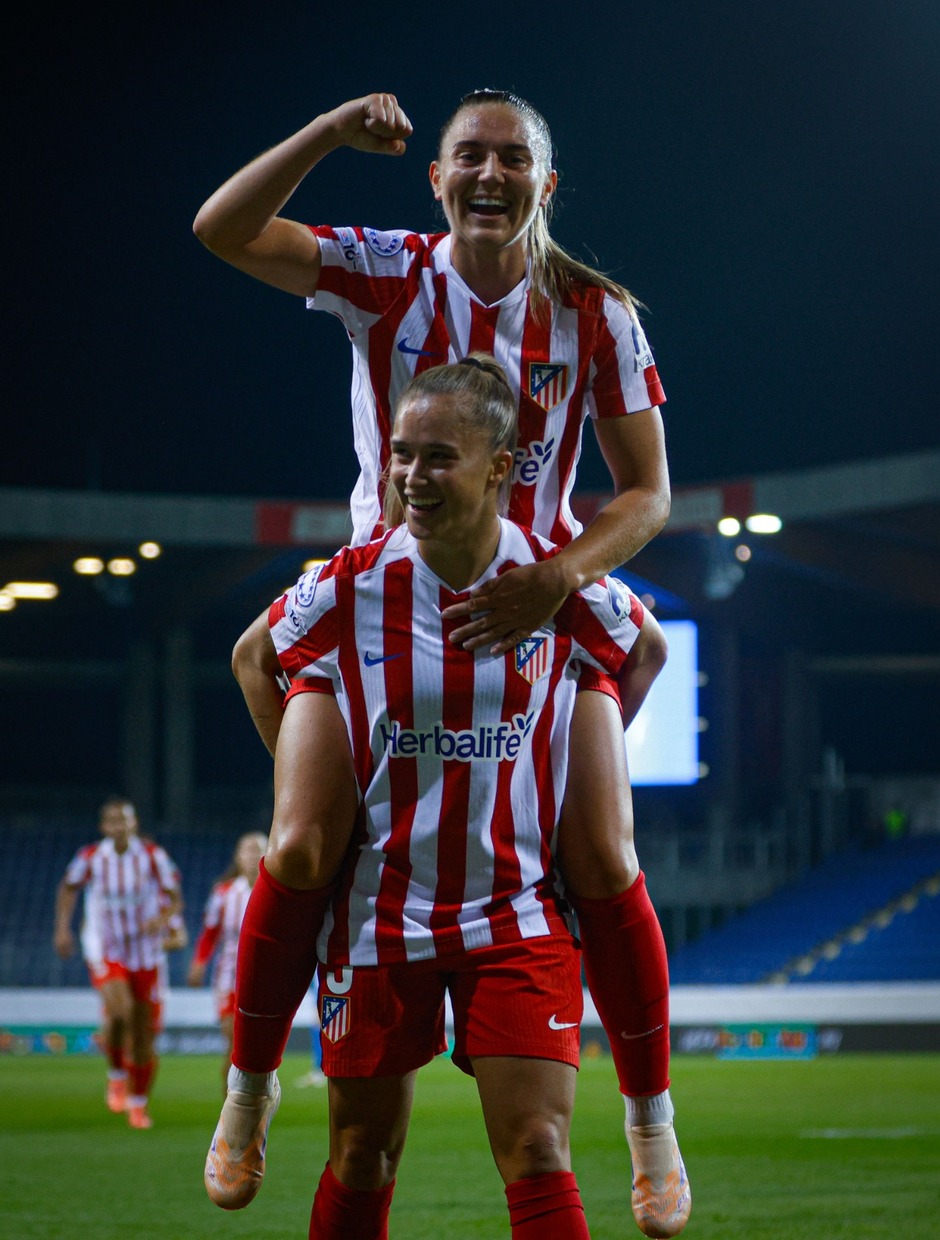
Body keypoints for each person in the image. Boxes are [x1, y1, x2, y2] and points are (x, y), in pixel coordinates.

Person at [193, 89, 688, 1236]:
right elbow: (221, 231)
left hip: (534, 593)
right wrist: (321, 133)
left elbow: (650, 492)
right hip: (379, 598)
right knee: (311, 838)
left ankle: (650, 1119)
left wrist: (557, 580)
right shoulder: (386, 271)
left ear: (544, 184)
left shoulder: (596, 314)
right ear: (436, 175)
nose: (489, 173)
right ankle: (249, 1089)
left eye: (514, 158)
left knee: (603, 852)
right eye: (469, 154)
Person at [54, 797, 183, 1129]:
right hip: (105, 945)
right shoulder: (92, 858)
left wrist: (162, 919)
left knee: (142, 1035)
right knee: (121, 1011)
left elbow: (175, 898)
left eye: (124, 820)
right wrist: (63, 929)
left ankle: (138, 1103)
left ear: (134, 823)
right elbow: (68, 888)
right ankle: (115, 1074)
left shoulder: (153, 856)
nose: (119, 826)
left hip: (145, 950)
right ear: (104, 827)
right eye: (112, 821)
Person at [187, 831, 269, 1095]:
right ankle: (231, 1111)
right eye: (247, 849)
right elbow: (210, 933)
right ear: (238, 857)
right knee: (236, 1047)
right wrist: (199, 963)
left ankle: (253, 1105)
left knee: (260, 1052)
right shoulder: (224, 894)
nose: (253, 854)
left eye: (258, 848)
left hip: (266, 980)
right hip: (228, 979)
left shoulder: (277, 891)